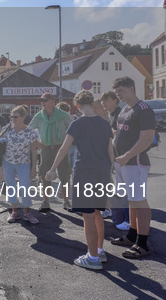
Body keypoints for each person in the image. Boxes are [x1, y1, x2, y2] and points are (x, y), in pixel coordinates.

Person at [47, 90, 114, 270]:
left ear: (77, 105)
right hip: (102, 171)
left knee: (88, 215)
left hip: (85, 171)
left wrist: (52, 169)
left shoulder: (77, 124)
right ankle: (99, 250)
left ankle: (92, 258)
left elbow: (63, 149)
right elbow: (110, 151)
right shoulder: (105, 123)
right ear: (93, 103)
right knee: (98, 212)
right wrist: (112, 172)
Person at [110, 76, 155, 259]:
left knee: (140, 201)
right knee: (131, 200)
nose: (118, 95)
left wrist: (127, 155)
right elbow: (116, 133)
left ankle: (142, 244)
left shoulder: (143, 109)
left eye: (120, 91)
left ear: (131, 88)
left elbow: (146, 138)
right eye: (116, 92)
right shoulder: (124, 110)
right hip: (122, 163)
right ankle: (131, 235)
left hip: (135, 163)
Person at [29, 93, 73, 212]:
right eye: (41, 100)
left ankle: (66, 201)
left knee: (64, 176)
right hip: (46, 149)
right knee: (45, 176)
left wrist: (69, 144)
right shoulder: (39, 116)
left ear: (53, 101)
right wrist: (36, 142)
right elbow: (29, 130)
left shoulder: (63, 115)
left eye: (45, 100)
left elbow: (73, 130)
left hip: (61, 149)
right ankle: (46, 201)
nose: (42, 102)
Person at [3, 106, 40, 224]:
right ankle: (14, 211)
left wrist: (34, 167)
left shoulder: (30, 131)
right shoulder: (6, 129)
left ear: (23, 117)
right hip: (7, 162)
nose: (13, 119)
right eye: (11, 116)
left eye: (15, 117)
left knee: (25, 186)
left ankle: (27, 212)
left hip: (23, 163)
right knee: (11, 186)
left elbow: (34, 151)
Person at [100, 90, 130, 230]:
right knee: (120, 190)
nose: (103, 103)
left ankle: (126, 220)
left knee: (123, 191)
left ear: (114, 100)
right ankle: (122, 219)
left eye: (105, 100)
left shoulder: (120, 113)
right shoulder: (112, 115)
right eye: (102, 101)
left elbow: (120, 134)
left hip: (124, 158)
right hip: (118, 157)